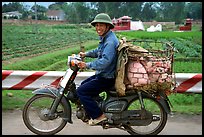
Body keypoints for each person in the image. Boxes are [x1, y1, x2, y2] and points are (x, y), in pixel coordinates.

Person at [76, 13, 119, 126]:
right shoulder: (106, 38)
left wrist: (87, 65)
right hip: (103, 74)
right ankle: (99, 105)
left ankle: (99, 116)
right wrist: (86, 54)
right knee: (83, 85)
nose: (98, 28)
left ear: (108, 26)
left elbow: (105, 62)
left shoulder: (110, 42)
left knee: (82, 91)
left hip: (106, 77)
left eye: (101, 25)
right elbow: (98, 51)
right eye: (96, 25)